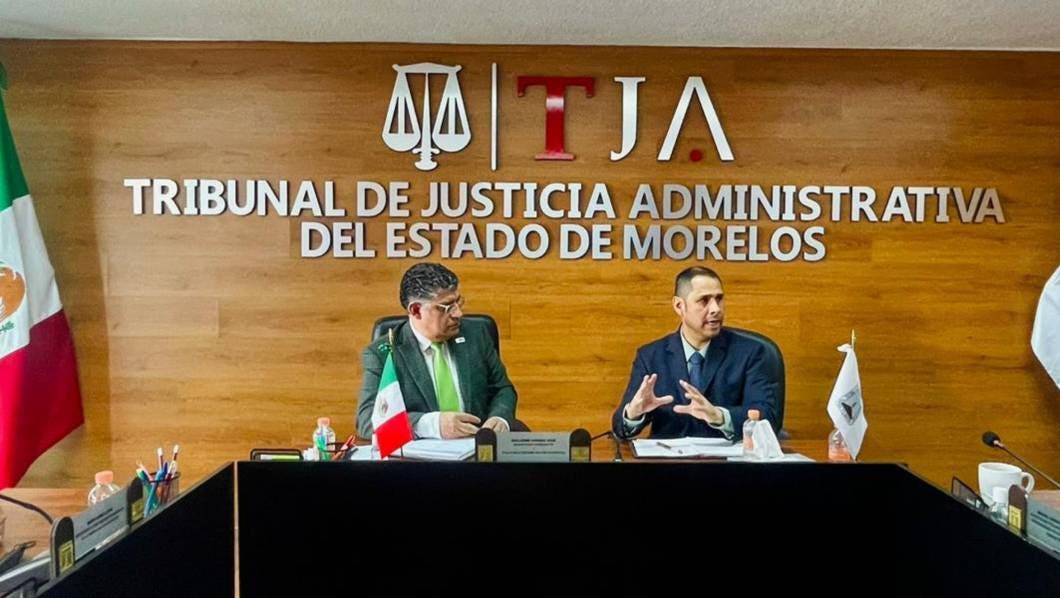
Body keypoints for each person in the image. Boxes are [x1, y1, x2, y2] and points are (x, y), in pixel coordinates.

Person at [611, 266, 778, 440]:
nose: (716, 309)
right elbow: (619, 429)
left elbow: (768, 418)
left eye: (719, 299)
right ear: (679, 306)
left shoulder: (750, 352)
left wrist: (720, 416)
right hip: (668, 456)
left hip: (726, 456)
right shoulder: (651, 356)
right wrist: (633, 414)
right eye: (704, 300)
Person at [357, 263, 517, 439]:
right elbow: (367, 421)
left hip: (477, 446)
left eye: (458, 302)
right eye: (446, 307)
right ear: (416, 310)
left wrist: (500, 417)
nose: (458, 313)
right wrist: (431, 425)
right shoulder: (383, 354)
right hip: (421, 453)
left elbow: (502, 389)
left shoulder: (476, 334)